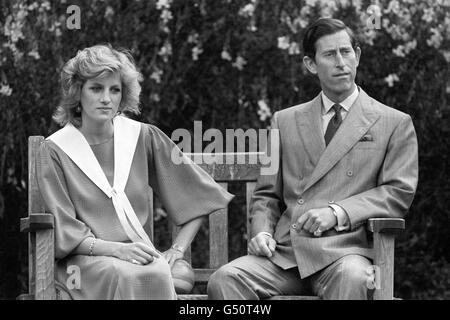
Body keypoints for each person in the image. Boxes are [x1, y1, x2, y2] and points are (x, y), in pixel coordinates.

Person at [207, 18, 418, 300]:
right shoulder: (284, 121)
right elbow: (266, 195)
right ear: (311, 64)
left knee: (356, 278)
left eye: (346, 52)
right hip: (285, 255)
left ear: (358, 56)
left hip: (345, 255)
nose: (341, 62)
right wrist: (262, 232)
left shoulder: (394, 122)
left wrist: (337, 212)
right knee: (225, 279)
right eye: (330, 55)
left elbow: (397, 192)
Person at [36, 44, 234, 300]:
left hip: (137, 258)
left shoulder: (142, 137)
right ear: (77, 92)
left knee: (151, 271)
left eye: (114, 90)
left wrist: (177, 249)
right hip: (82, 264)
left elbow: (200, 196)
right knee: (138, 275)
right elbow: (64, 232)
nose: (106, 98)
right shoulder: (55, 150)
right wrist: (116, 250)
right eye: (96, 88)